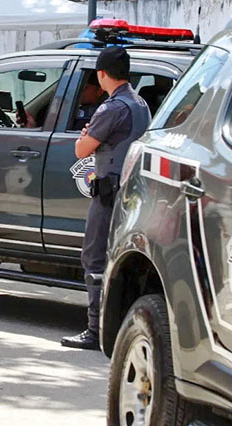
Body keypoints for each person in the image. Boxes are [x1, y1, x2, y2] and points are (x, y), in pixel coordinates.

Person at [61, 46, 152, 350]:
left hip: (108, 194)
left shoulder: (111, 108)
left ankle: (94, 329)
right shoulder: (141, 104)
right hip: (131, 193)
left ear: (102, 74)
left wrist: (86, 136)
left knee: (94, 258)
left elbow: (81, 150)